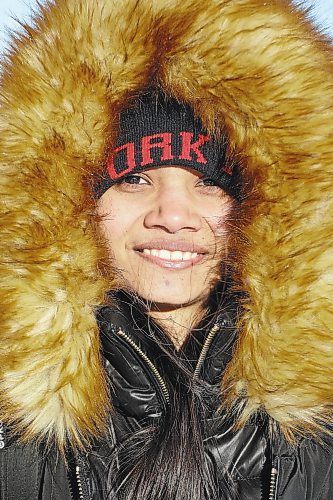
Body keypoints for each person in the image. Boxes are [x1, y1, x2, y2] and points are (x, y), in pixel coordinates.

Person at [0, 0, 332, 499]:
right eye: (133, 179)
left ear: (268, 215)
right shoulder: (15, 421)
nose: (172, 215)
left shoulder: (317, 423)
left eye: (209, 183)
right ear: (69, 207)